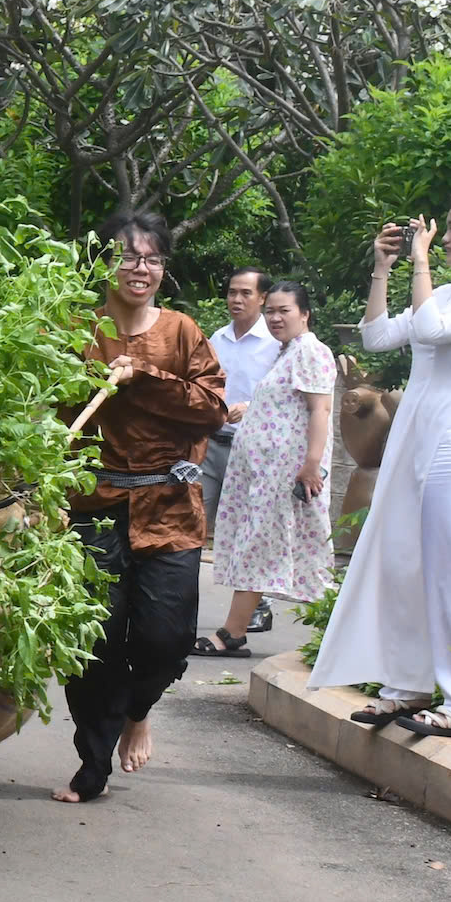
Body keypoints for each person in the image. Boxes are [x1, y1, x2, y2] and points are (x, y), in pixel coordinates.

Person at [309, 191, 451, 737]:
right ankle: (406, 686)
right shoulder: (450, 293)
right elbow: (378, 336)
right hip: (416, 439)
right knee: (405, 560)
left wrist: (422, 263)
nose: (442, 236)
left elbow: (430, 331)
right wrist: (383, 269)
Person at [55, 210, 227, 804]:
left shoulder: (181, 330)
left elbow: (212, 408)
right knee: (94, 637)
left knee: (165, 638)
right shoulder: (74, 329)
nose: (142, 268)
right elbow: (47, 414)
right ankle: (92, 765)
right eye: (130, 256)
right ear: (106, 263)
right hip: (92, 501)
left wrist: (146, 377)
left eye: (153, 259)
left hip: (171, 505)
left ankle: (138, 710)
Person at [196, 281, 334, 658]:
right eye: (270, 311)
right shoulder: (287, 352)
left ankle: (232, 633)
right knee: (270, 550)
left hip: (286, 475)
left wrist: (311, 465)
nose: (275, 318)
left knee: (285, 552)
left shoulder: (311, 351)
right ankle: (240, 632)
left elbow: (319, 410)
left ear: (304, 314)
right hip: (266, 474)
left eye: (284, 310)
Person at [203, 268, 280, 633]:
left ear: (262, 298)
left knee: (246, 531)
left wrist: (252, 408)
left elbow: (287, 396)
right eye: (232, 292)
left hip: (254, 452)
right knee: (195, 520)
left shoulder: (277, 343)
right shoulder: (216, 338)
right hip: (212, 444)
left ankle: (256, 607)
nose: (236, 299)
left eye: (245, 293)